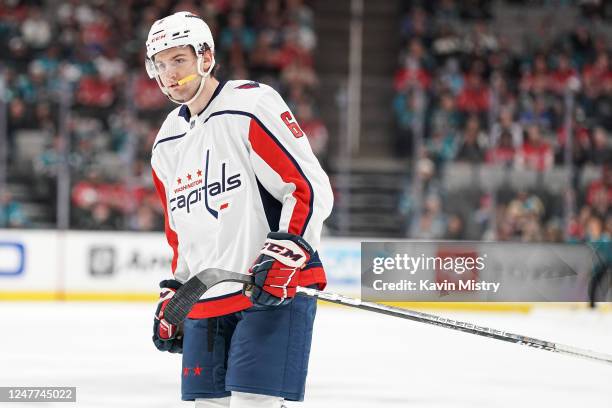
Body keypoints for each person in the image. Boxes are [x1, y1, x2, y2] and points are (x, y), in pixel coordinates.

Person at [145, 11, 333, 408]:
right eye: (160, 65)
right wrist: (176, 289)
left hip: (268, 291)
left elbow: (308, 188)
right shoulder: (166, 141)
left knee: (254, 404)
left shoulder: (250, 104)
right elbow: (179, 230)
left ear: (206, 57)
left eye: (178, 60)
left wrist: (287, 255)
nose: (169, 74)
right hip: (205, 297)